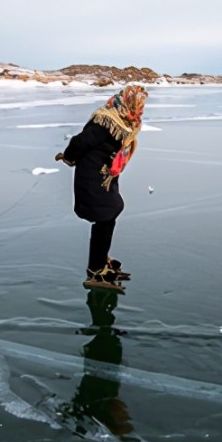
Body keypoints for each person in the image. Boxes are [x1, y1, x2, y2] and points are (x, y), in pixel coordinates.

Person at [56, 84, 148, 291]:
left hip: (105, 175)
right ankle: (96, 269)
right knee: (105, 215)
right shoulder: (104, 121)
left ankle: (100, 259)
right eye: (137, 105)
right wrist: (69, 157)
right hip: (92, 177)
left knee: (110, 213)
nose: (140, 109)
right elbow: (79, 142)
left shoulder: (124, 121)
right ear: (125, 103)